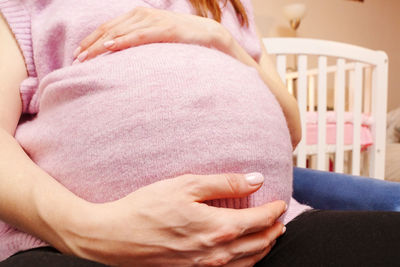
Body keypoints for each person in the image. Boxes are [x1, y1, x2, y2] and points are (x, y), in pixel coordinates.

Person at [0, 0, 399, 266]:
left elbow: (291, 128)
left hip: (269, 234)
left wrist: (220, 38)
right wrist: (89, 231)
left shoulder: (225, 6)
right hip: (77, 248)